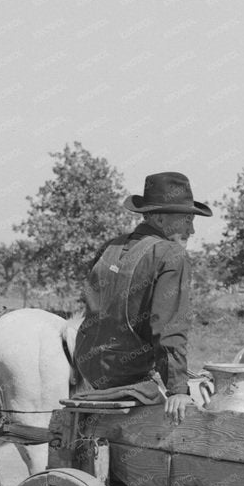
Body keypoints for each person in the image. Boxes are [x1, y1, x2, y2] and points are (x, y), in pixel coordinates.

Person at [73, 171, 209, 423]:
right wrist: (178, 390)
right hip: (129, 376)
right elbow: (169, 328)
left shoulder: (110, 247)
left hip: (88, 373)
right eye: (187, 219)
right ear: (159, 217)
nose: (192, 229)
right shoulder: (171, 254)